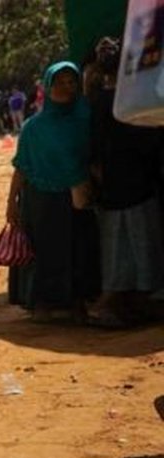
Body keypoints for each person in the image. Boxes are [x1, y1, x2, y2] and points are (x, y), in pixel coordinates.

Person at [6, 61, 99, 322]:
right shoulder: (34, 128)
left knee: (80, 248)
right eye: (59, 83)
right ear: (47, 87)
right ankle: (42, 304)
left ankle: (78, 302)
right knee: (45, 251)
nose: (66, 88)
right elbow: (21, 167)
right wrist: (11, 203)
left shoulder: (85, 119)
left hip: (77, 194)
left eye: (71, 82)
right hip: (41, 200)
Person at [87, 37, 164, 327]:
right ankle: (133, 301)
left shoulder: (95, 102)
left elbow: (93, 149)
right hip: (137, 185)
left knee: (116, 248)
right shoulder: (132, 101)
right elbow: (148, 141)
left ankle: (117, 302)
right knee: (143, 243)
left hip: (112, 186)